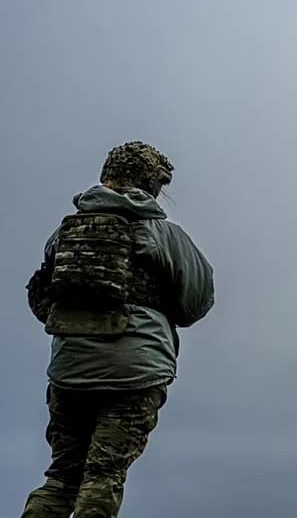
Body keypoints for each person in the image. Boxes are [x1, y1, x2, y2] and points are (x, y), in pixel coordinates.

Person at [22, 141, 215, 518]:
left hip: (69, 369)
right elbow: (197, 302)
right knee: (103, 474)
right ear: (151, 184)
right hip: (137, 372)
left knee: (61, 476)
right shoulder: (165, 236)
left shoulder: (64, 232)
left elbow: (41, 297)